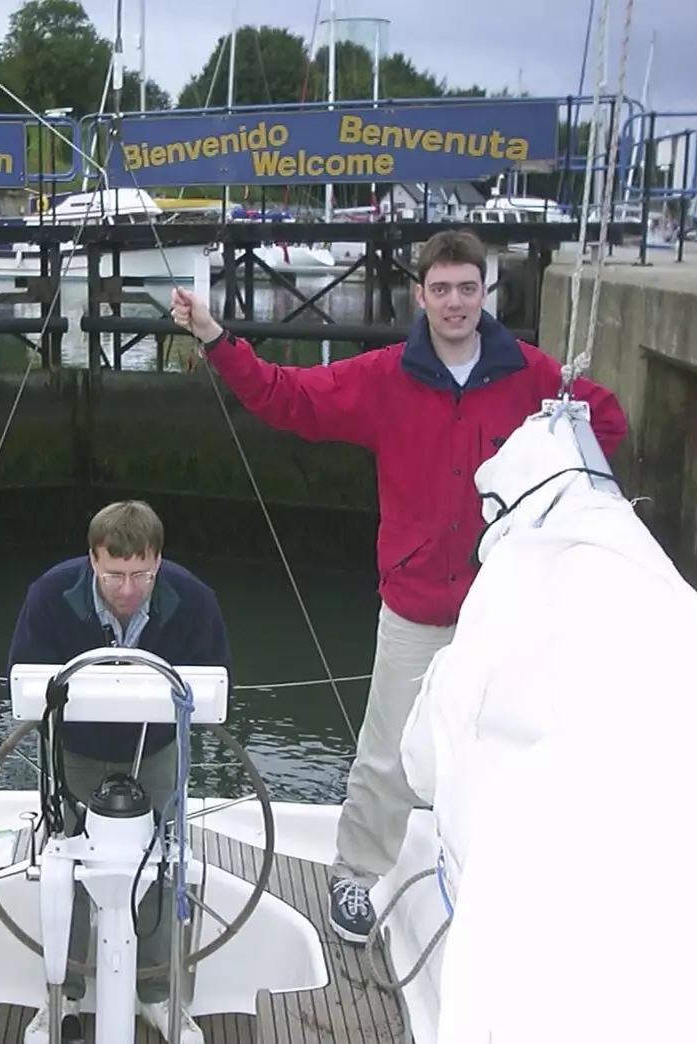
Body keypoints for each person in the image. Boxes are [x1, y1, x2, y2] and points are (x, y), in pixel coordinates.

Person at [169, 228, 628, 945]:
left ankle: (498, 875)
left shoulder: (530, 373)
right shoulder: (385, 376)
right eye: (440, 289)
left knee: (509, 744)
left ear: (486, 292)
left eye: (467, 288)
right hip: (413, 605)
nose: (454, 302)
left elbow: (609, 423)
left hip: (500, 607)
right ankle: (355, 873)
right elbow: (286, 397)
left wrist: (559, 422)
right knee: (385, 752)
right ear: (420, 295)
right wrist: (215, 336)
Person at [6, 500, 231, 1044]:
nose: (128, 590)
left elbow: (216, 683)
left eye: (141, 575)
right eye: (114, 576)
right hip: (78, 754)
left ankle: (161, 998)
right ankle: (65, 997)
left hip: (156, 753)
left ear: (158, 561)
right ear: (92, 560)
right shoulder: (50, 597)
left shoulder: (195, 602)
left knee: (163, 867)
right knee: (70, 871)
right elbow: (22, 683)